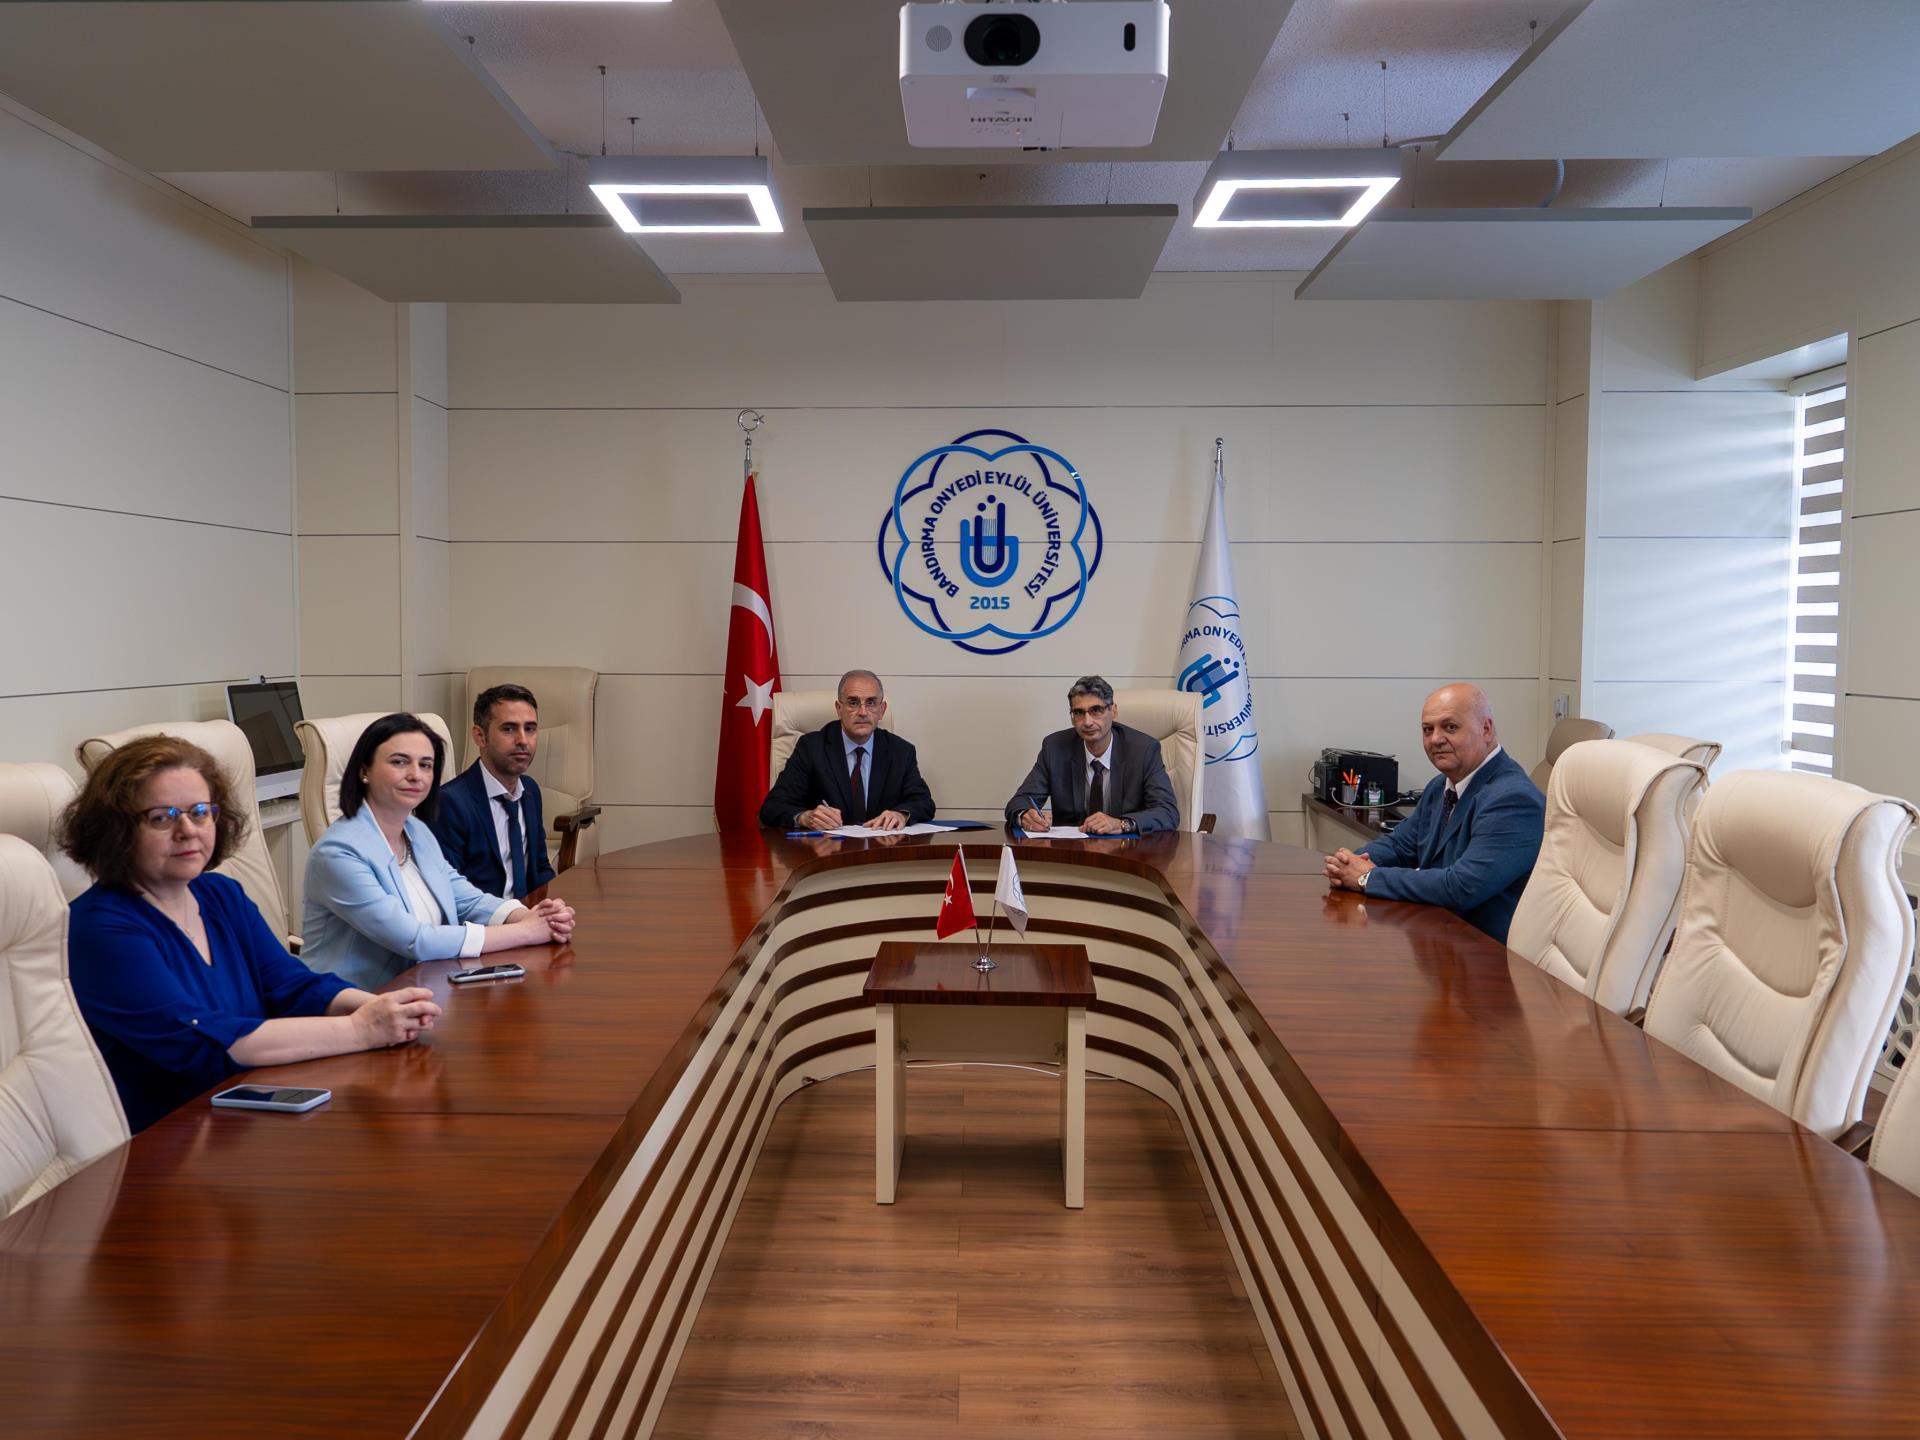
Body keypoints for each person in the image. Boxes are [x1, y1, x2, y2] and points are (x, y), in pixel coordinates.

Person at [62, 734, 444, 1133]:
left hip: (248, 1109)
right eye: (162, 817)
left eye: (200, 812)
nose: (188, 829)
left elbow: (291, 986)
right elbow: (201, 1041)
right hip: (170, 1138)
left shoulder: (220, 895)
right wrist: (361, 1029)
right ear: (116, 829)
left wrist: (387, 1009)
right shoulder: (98, 928)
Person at [302, 713, 576, 991]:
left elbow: (464, 897)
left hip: (424, 990)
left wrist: (526, 915)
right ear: (364, 770)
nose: (415, 775)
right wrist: (525, 932)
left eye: (425, 765)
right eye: (399, 762)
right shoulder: (338, 853)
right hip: (356, 1004)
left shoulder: (416, 830)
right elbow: (415, 940)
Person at [1323, 683, 1545, 944]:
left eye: (1450, 727)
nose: (1435, 739)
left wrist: (1366, 877)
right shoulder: (1440, 786)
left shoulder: (1513, 799)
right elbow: (1401, 845)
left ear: (1486, 729)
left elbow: (1462, 887)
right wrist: (1350, 863)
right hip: (1439, 939)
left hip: (1486, 953)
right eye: (1428, 729)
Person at [759, 669, 936, 831]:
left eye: (871, 703)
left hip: (881, 850)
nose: (863, 712)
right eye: (853, 703)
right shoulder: (811, 748)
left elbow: (923, 802)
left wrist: (901, 814)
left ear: (882, 710)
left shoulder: (901, 751)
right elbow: (772, 807)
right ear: (839, 709)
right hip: (826, 849)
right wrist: (805, 817)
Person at [1006, 675, 1180, 835]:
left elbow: (1167, 812)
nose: (1087, 722)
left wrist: (1121, 824)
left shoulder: (1144, 750)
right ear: (1072, 717)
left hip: (1127, 850)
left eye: (1096, 710)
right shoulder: (1055, 748)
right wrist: (1025, 815)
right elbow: (1019, 801)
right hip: (1070, 851)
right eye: (1079, 713)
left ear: (1113, 712)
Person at [430, 683, 556, 901]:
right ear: (480, 736)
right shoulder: (449, 802)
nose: (523, 740)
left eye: (530, 729)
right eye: (509, 729)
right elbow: (450, 892)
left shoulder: (530, 790)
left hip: (529, 914)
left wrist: (552, 907)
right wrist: (511, 917)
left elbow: (540, 869)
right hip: (482, 918)